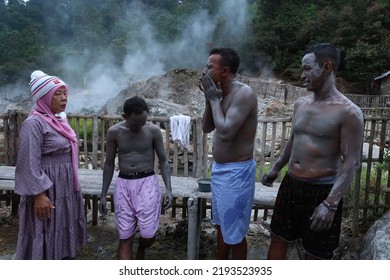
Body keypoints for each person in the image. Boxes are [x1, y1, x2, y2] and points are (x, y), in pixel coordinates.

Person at [261, 43, 364, 260]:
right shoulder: (301, 104)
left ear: (327, 67)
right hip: (290, 184)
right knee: (278, 237)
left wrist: (330, 204)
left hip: (322, 192)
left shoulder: (348, 112)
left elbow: (352, 161)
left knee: (316, 254)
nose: (302, 75)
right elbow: (294, 139)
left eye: (307, 69)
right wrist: (277, 168)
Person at [14, 70, 87, 259]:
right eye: (57, 94)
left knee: (60, 226)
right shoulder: (34, 124)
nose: (64, 98)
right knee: (44, 229)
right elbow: (28, 161)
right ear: (44, 97)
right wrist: (39, 194)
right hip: (46, 188)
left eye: (65, 93)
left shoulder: (59, 120)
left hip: (63, 186)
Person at [199, 47, 258, 259]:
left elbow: (225, 132)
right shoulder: (218, 93)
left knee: (235, 233)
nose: (204, 71)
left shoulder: (244, 94)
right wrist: (209, 98)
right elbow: (207, 127)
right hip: (220, 170)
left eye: (209, 67)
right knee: (222, 225)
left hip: (237, 172)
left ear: (224, 71)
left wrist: (214, 99)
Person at [98, 96, 173, 260]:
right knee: (124, 237)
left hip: (147, 183)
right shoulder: (115, 132)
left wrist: (168, 189)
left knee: (148, 235)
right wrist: (103, 195)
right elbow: (109, 163)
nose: (139, 126)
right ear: (124, 116)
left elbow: (164, 160)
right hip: (124, 183)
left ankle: (141, 248)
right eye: (135, 123)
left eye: (143, 122)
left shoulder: (152, 131)